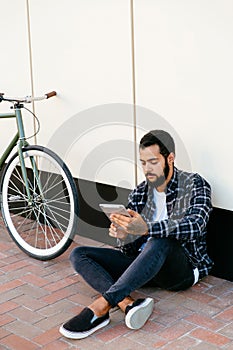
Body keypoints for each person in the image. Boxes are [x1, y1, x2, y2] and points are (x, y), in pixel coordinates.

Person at [59, 129, 213, 340]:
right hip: (144, 266)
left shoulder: (195, 184)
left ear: (170, 158)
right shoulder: (140, 192)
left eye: (153, 161)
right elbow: (129, 249)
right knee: (79, 254)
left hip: (179, 269)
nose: (147, 169)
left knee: (161, 240)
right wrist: (123, 234)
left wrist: (147, 228)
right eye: (143, 162)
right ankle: (127, 303)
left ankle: (102, 306)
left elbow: (195, 225)